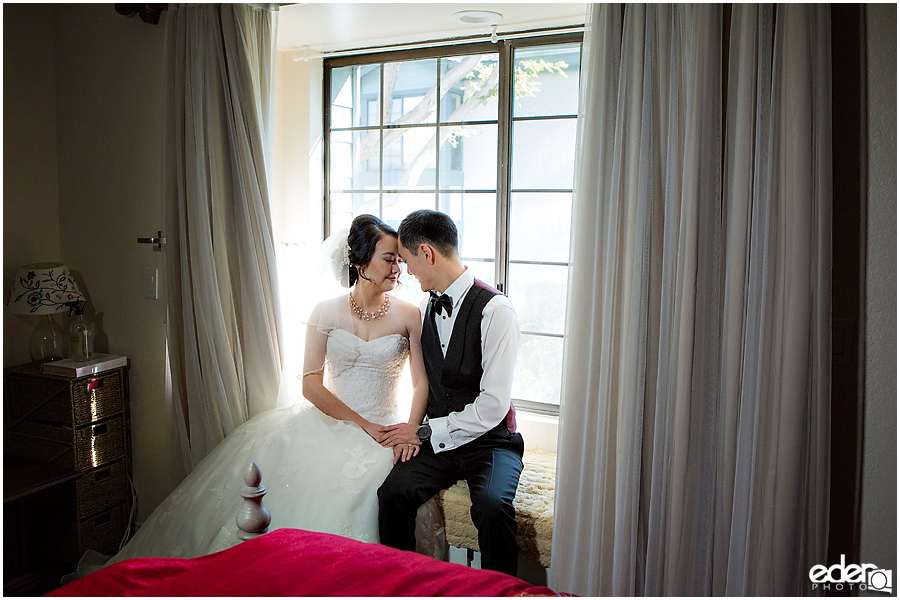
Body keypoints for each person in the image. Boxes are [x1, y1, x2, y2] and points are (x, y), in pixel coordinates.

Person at [106, 215, 442, 565]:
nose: (398, 269)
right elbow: (312, 385)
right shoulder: (325, 312)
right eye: (389, 259)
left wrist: (408, 430)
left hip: (387, 431)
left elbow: (421, 382)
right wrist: (362, 425)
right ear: (359, 262)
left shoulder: (409, 315)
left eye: (400, 261)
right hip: (329, 424)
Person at [377, 209, 525, 576]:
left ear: (426, 253)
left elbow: (494, 406)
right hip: (441, 443)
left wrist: (424, 431)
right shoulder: (428, 305)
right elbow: (427, 379)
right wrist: (416, 429)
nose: (407, 271)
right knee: (392, 494)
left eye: (409, 261)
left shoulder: (497, 310)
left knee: (492, 507)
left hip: (491, 442)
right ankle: (401, 586)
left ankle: (502, 592)